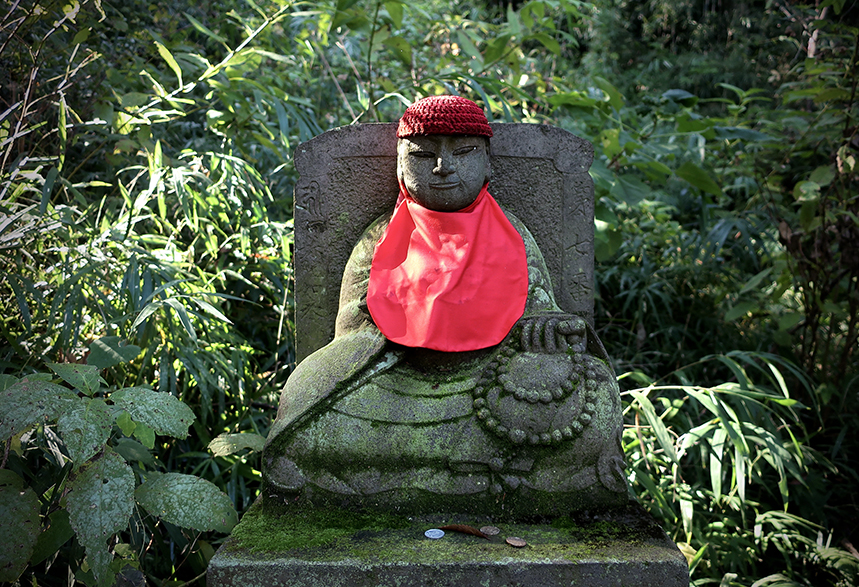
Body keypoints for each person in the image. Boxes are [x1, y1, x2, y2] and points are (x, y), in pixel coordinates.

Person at [262, 96, 626, 517]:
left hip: (489, 377)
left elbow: (541, 308)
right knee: (306, 397)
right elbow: (354, 325)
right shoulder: (380, 238)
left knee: (594, 390)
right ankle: (493, 471)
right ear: (400, 166)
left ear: (488, 163)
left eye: (464, 152)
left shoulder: (513, 234)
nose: (443, 167)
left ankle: (408, 469)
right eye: (423, 155)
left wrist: (545, 330)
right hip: (397, 378)